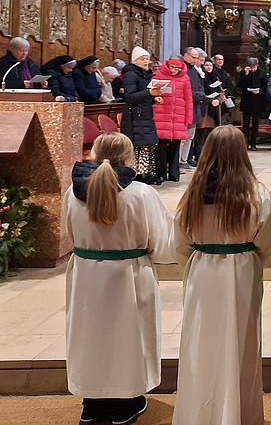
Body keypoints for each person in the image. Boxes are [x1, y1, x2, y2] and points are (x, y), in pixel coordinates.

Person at [172, 126, 271, 425]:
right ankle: (239, 415)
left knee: (200, 344)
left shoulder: (192, 194)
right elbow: (269, 241)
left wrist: (198, 260)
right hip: (241, 273)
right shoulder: (256, 193)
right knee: (240, 346)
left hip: (202, 272)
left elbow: (178, 244)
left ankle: (198, 416)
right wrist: (257, 260)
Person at [64, 131, 174, 425]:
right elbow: (161, 242)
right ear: (128, 157)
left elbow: (69, 233)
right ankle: (127, 403)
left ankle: (92, 404)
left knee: (90, 338)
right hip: (129, 275)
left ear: (94, 154)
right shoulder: (140, 193)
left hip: (86, 276)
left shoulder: (72, 193)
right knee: (128, 339)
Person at [120, 46, 164, 185]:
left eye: (147, 59)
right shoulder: (131, 74)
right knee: (137, 147)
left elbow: (144, 95)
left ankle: (146, 173)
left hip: (145, 114)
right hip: (134, 116)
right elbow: (130, 96)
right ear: (135, 60)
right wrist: (149, 93)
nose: (146, 62)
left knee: (147, 146)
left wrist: (154, 98)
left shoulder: (146, 75)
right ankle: (136, 175)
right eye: (142, 59)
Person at [151, 57, 193, 184]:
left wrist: (188, 118)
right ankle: (161, 173)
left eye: (177, 68)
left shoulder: (185, 78)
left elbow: (188, 99)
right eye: (172, 67)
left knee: (175, 146)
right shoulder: (158, 75)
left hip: (178, 116)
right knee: (161, 146)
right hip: (161, 115)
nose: (174, 70)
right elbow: (152, 92)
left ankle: (174, 173)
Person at [180, 47, 207, 168]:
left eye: (197, 58)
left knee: (190, 136)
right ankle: (179, 161)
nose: (196, 60)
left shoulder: (194, 70)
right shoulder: (182, 69)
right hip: (185, 107)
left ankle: (184, 160)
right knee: (183, 137)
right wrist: (196, 95)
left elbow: (200, 86)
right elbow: (183, 89)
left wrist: (200, 95)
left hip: (195, 106)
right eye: (194, 57)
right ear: (186, 55)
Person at [238, 57, 267, 151]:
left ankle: (253, 143)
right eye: (251, 67)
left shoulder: (262, 73)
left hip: (257, 100)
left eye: (254, 67)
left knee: (255, 123)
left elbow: (265, 86)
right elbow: (240, 85)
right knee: (246, 123)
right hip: (247, 100)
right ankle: (245, 142)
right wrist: (246, 74)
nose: (253, 69)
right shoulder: (244, 73)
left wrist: (259, 91)